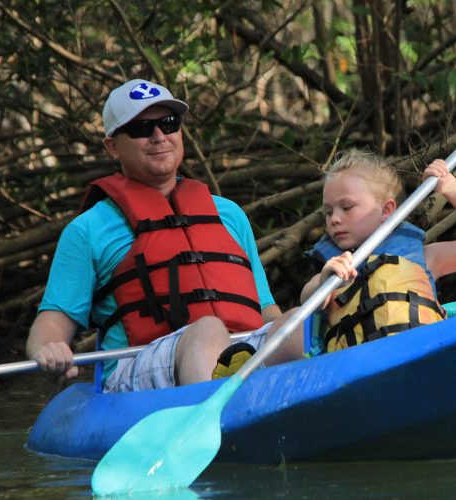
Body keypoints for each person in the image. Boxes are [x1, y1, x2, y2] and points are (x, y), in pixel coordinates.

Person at [26, 78, 292, 392]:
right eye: (141, 128)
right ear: (113, 146)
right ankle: (217, 416)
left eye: (169, 124)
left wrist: (284, 331)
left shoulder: (229, 214)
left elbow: (265, 309)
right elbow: (51, 325)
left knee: (297, 322)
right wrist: (50, 348)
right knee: (207, 330)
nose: (159, 136)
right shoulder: (87, 230)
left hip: (242, 347)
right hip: (140, 363)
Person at [299, 149, 456, 353]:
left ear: (386, 210)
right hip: (359, 366)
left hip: (423, 353)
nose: (334, 219)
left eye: (346, 208)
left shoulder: (425, 258)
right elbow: (307, 300)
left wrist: (453, 189)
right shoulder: (334, 270)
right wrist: (325, 283)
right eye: (328, 212)